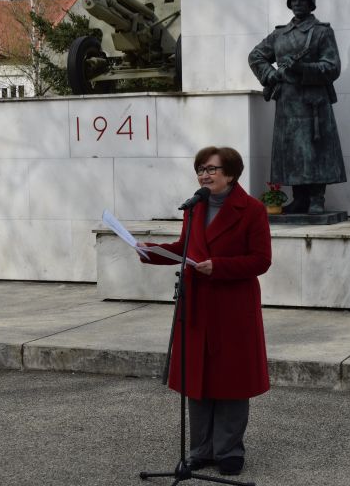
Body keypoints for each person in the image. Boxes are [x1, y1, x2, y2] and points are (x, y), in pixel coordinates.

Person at [137, 146, 271, 476]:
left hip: (233, 306)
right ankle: (200, 450)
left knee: (231, 379)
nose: (204, 175)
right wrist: (150, 251)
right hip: (195, 303)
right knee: (197, 378)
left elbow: (261, 260)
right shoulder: (194, 207)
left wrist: (219, 266)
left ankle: (228, 451)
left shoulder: (252, 210)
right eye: (200, 169)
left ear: (231, 174)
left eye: (211, 169)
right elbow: (185, 247)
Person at [248, 0, 347, 215]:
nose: (297, 3)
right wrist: (270, 74)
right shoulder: (279, 34)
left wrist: (302, 68)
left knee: (316, 149)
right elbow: (256, 55)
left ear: (311, 4)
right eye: (294, 0)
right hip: (287, 101)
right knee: (291, 150)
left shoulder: (322, 32)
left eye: (302, 0)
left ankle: (316, 198)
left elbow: (332, 67)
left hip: (314, 102)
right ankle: (299, 199)